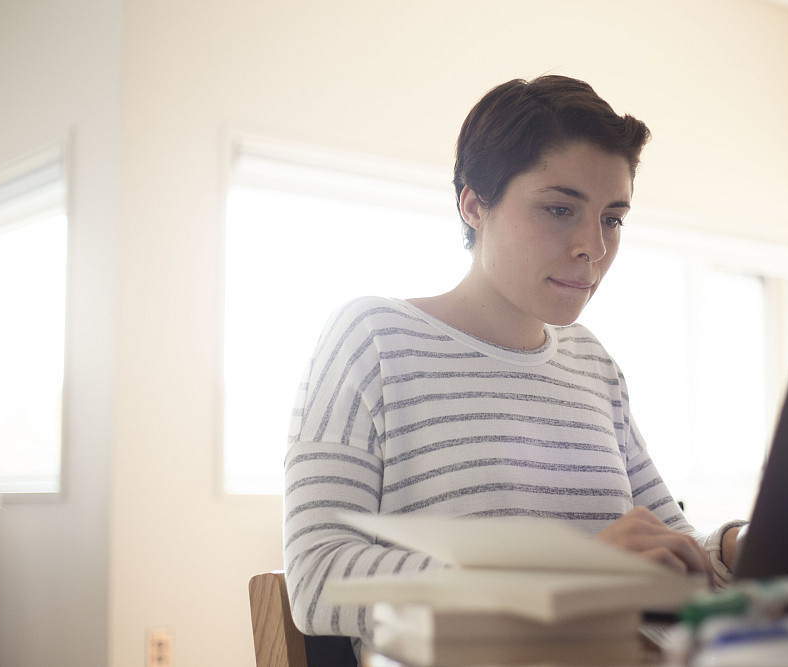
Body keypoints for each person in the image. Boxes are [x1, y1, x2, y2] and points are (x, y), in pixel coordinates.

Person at [283, 75, 747, 650]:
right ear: (475, 204)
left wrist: (734, 546)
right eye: (559, 209)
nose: (594, 247)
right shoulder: (372, 339)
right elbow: (317, 578)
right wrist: (563, 579)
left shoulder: (591, 364)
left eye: (613, 218)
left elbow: (669, 545)